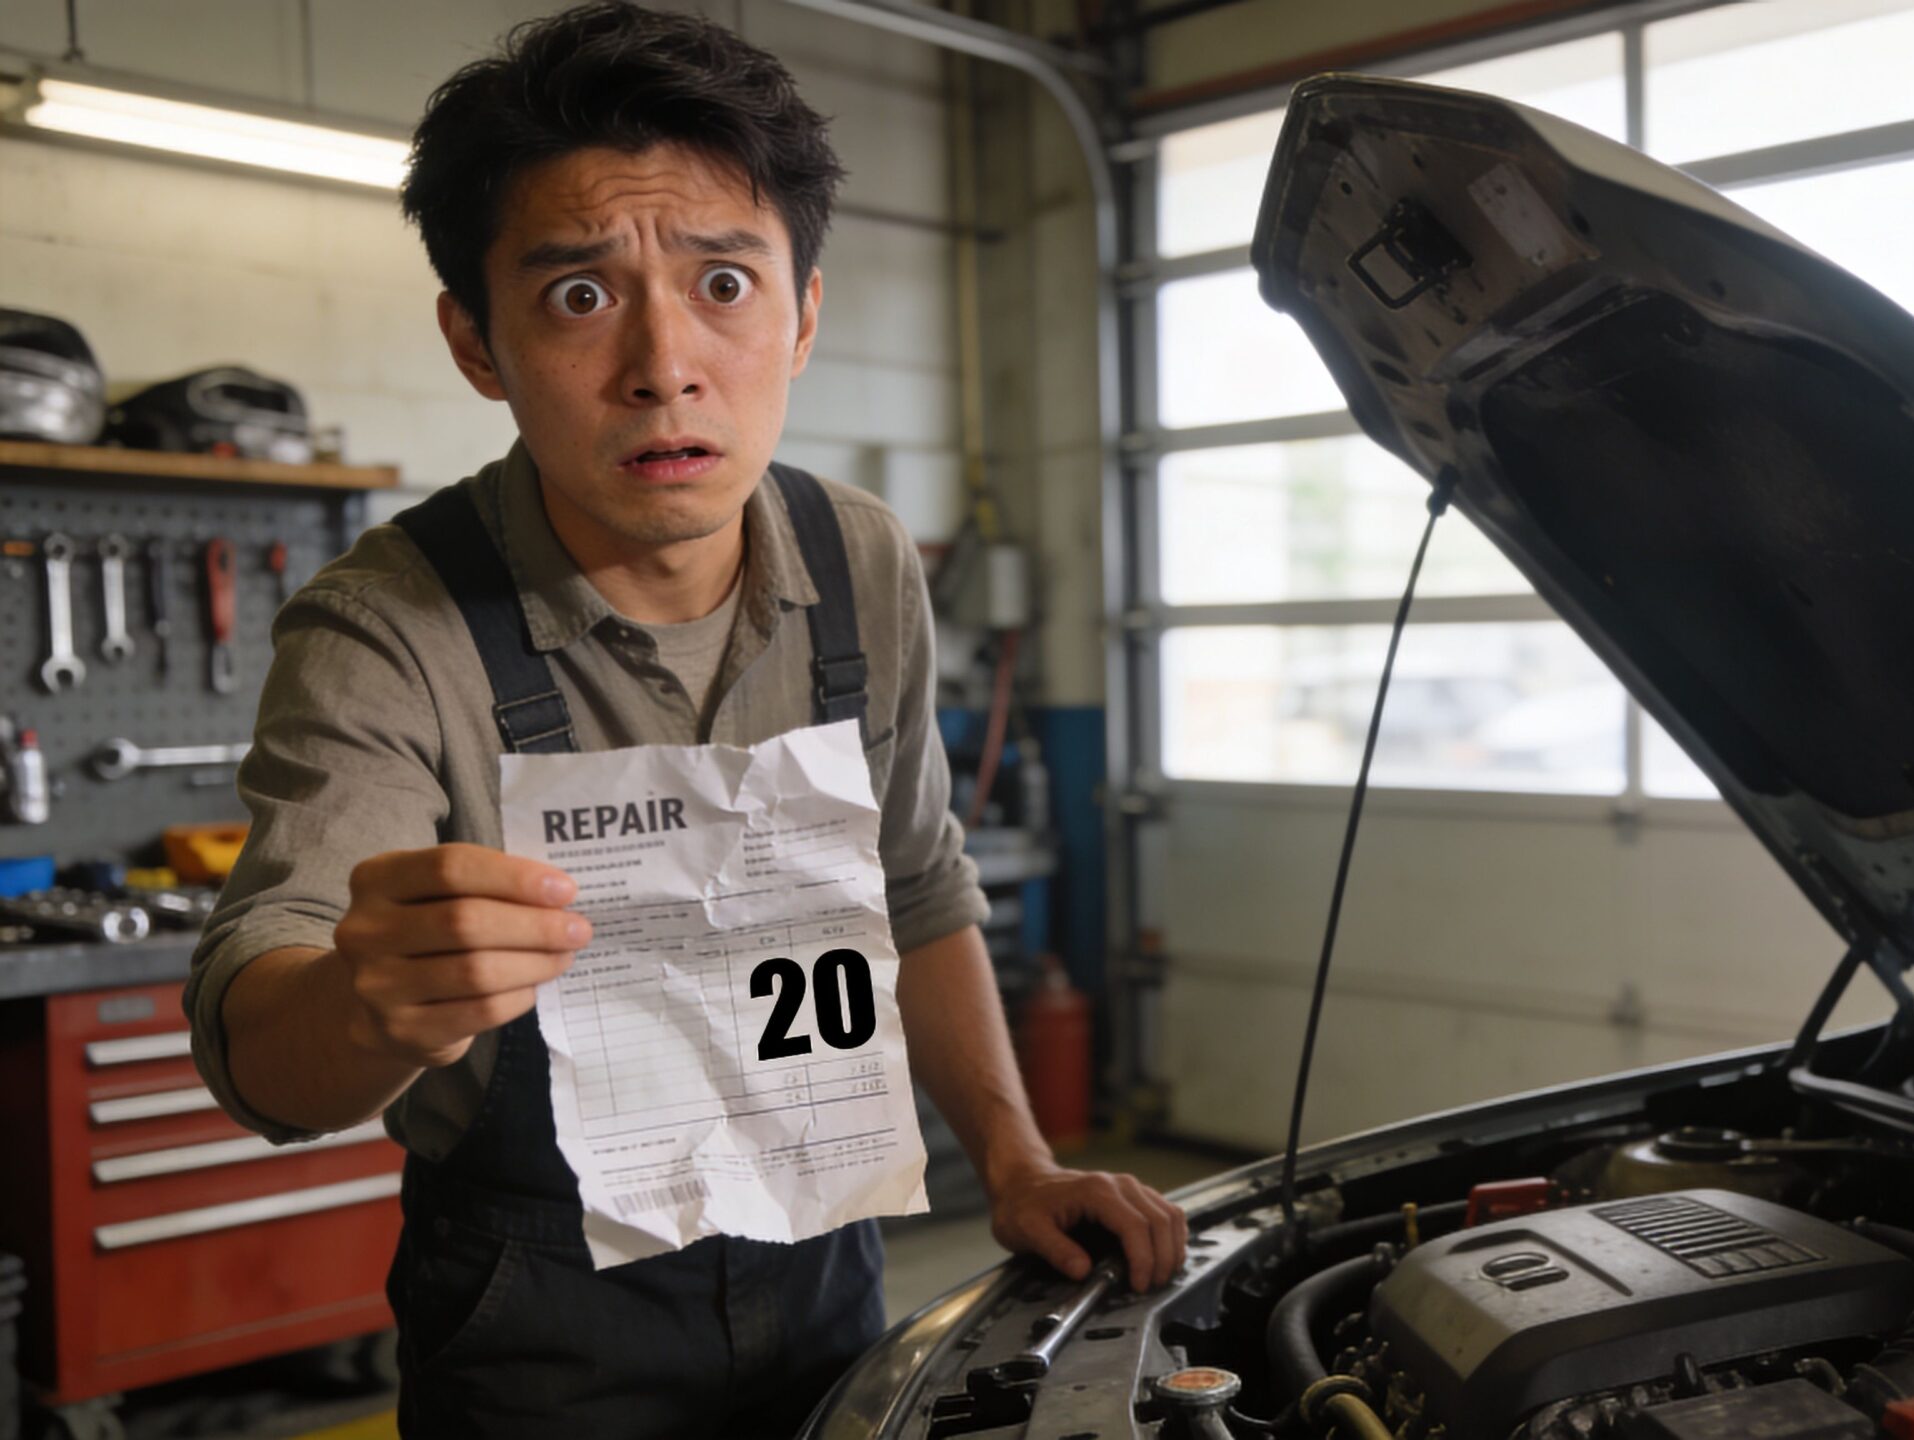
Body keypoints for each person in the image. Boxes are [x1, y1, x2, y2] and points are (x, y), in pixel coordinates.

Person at [180, 4, 1185, 1434]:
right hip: (540, 1316)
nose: (664, 364)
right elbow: (261, 1040)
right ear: (476, 340)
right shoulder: (386, 627)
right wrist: (362, 1002)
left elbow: (915, 888)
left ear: (803, 313)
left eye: (723, 281)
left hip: (826, 1253)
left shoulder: (861, 562)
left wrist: (1017, 1162)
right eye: (578, 295)